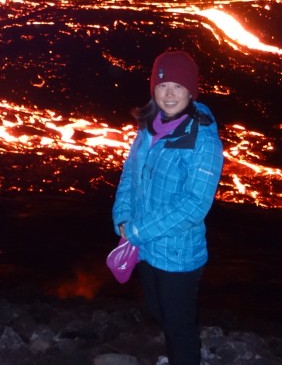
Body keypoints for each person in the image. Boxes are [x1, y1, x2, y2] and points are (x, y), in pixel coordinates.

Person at [112, 50, 224, 365]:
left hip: (178, 255)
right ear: (153, 89)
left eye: (178, 86)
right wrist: (121, 216)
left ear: (191, 90)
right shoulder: (149, 126)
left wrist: (137, 231)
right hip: (146, 249)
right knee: (159, 313)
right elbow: (129, 174)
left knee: (179, 328)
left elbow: (194, 205)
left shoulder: (203, 141)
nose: (169, 94)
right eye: (162, 85)